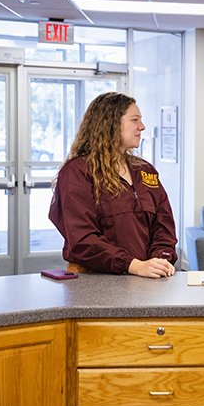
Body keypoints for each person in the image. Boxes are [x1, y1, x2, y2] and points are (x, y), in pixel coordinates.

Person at [49, 91, 178, 278]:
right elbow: (83, 239)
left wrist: (160, 261)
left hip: (145, 277)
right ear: (110, 124)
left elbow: (164, 226)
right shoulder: (77, 172)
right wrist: (132, 265)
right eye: (135, 120)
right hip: (97, 279)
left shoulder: (145, 171)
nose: (142, 126)